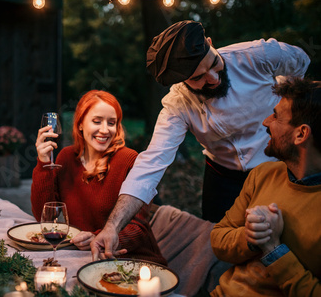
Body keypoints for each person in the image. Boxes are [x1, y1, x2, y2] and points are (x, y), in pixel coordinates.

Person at [91, 20, 310, 261]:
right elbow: (150, 165)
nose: (213, 78)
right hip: (222, 180)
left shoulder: (258, 56)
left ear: (210, 43)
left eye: (214, 64)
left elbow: (300, 63)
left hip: (277, 171)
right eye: (198, 78)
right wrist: (112, 227)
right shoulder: (178, 105)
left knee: (286, 245)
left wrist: (287, 107)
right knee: (222, 253)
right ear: (182, 81)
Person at [210, 78, 321, 296]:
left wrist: (274, 250)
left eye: (276, 116)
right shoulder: (264, 174)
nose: (266, 122)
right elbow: (218, 238)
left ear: (301, 134)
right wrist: (250, 237)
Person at [31, 90, 167, 264]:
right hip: (85, 258)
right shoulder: (66, 157)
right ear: (80, 124)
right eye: (97, 121)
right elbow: (45, 218)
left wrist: (96, 238)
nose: (104, 130)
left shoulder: (129, 160)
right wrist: (43, 164)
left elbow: (138, 229)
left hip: (131, 259)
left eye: (112, 123)